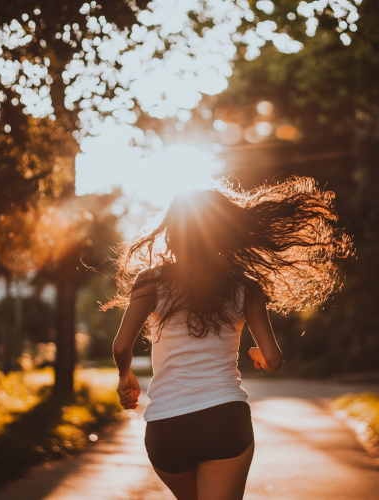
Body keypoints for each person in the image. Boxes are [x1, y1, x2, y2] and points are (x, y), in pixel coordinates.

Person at [105, 177, 352, 500]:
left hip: (167, 427)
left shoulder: (151, 281)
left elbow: (121, 345)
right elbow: (274, 359)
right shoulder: (245, 287)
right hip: (225, 420)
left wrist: (126, 375)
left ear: (172, 232)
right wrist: (257, 354)